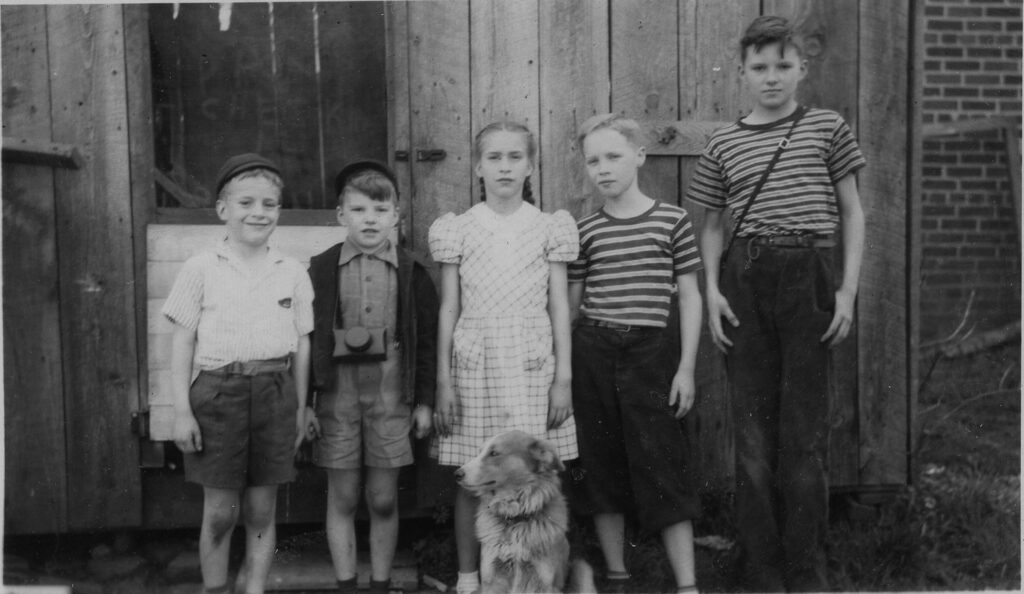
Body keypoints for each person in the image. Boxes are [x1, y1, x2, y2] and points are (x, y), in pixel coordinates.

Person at [686, 15, 867, 592]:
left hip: (809, 276)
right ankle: (762, 570)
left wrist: (845, 290)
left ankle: (805, 570)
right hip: (746, 279)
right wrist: (712, 291)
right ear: (741, 72)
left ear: (802, 70)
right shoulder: (724, 141)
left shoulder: (826, 128)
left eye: (783, 66)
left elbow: (853, 212)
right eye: (759, 68)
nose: (771, 78)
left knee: (805, 435)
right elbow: (711, 225)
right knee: (755, 439)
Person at [429, 121, 580, 594]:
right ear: (478, 166)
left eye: (515, 157)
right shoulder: (460, 228)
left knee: (534, 470)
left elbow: (559, 304)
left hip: (534, 361)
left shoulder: (547, 226)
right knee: (474, 476)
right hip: (477, 363)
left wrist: (564, 378)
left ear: (530, 165)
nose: (505, 167)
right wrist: (443, 380)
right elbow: (449, 306)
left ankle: (534, 574)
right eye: (494, 158)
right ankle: (471, 576)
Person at [164, 153, 313, 594]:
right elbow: (182, 341)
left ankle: (255, 589)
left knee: (263, 512)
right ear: (223, 209)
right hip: (217, 394)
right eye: (246, 202)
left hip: (275, 394)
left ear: (279, 212)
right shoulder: (200, 268)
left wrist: (302, 408)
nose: (258, 213)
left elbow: (302, 343)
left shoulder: (292, 272)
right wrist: (181, 412)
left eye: (269, 204)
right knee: (220, 512)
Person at [568, 113, 704, 594]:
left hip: (651, 352)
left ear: (640, 156)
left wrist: (685, 368)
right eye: (593, 161)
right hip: (595, 352)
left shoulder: (672, 220)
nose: (602, 169)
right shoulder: (585, 231)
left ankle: (687, 584)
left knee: (662, 460)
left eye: (613, 156)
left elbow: (689, 295)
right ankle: (618, 575)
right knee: (599, 461)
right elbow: (572, 306)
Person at [305, 160, 439, 594]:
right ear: (341, 215)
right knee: (342, 498)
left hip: (390, 398)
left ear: (396, 216)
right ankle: (347, 585)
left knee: (382, 498)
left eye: (380, 211)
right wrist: (305, 403)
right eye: (359, 210)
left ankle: (380, 584)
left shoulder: (412, 271)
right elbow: (304, 339)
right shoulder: (319, 269)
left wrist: (423, 402)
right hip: (337, 400)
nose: (370, 220)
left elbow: (428, 342)